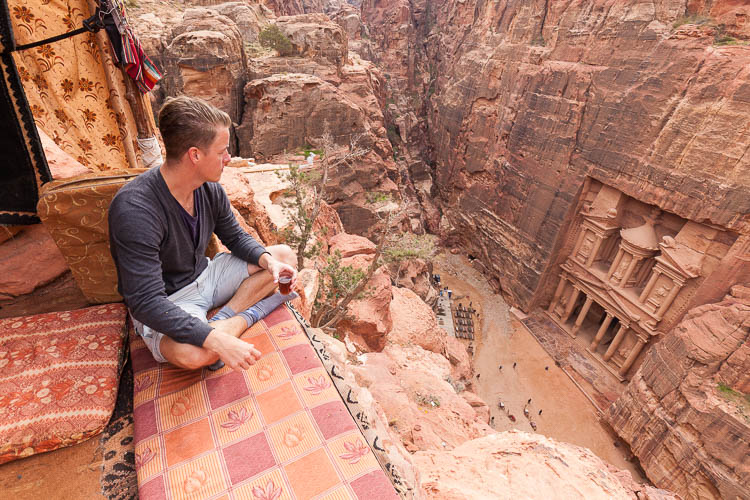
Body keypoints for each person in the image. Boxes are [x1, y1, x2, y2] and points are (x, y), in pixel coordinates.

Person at [109, 96, 298, 372]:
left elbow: (235, 238)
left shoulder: (209, 190)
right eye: (222, 150)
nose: (228, 158)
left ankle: (226, 320)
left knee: (283, 256)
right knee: (195, 354)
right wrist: (214, 342)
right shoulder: (134, 210)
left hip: (207, 276)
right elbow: (146, 302)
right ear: (195, 155)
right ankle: (237, 321)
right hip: (169, 300)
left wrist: (270, 263)